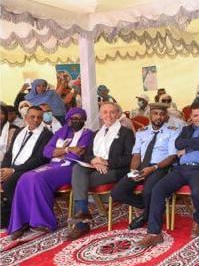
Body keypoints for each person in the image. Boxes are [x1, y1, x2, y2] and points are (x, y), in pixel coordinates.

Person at [135, 103, 199, 247]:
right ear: (191, 117)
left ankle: (198, 222)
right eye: (195, 115)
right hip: (181, 168)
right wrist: (197, 145)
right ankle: (154, 233)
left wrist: (188, 148)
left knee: (198, 193)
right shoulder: (186, 129)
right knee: (158, 189)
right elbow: (178, 144)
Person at [7, 108, 93, 239]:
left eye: (81, 119)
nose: (77, 121)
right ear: (68, 120)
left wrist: (58, 152)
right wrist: (67, 149)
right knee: (25, 177)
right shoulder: (61, 132)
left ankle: (44, 222)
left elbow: (76, 155)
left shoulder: (87, 133)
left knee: (38, 178)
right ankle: (22, 222)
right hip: (53, 165)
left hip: (70, 167)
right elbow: (46, 152)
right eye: (74, 118)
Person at [66, 102, 135, 240]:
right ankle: (82, 215)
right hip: (95, 168)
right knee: (77, 168)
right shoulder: (96, 133)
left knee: (79, 182)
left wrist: (106, 162)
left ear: (118, 114)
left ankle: (81, 223)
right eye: (105, 112)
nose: (108, 115)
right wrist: (94, 161)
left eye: (112, 112)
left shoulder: (126, 133)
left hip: (115, 170)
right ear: (100, 115)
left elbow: (130, 158)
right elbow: (87, 155)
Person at [110, 103, 180, 230]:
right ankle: (150, 205)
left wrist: (153, 168)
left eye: (162, 114)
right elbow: (136, 154)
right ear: (149, 115)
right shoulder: (142, 132)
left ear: (165, 116)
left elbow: (172, 157)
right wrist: (133, 171)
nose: (158, 117)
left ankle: (145, 216)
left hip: (159, 167)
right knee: (117, 192)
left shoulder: (172, 131)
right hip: (141, 167)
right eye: (155, 114)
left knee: (148, 191)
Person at [0, 106, 53, 227]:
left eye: (39, 117)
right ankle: (8, 215)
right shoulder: (19, 131)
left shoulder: (46, 135)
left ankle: (22, 219)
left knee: (9, 183)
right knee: (4, 178)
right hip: (14, 167)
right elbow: (9, 153)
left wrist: (13, 170)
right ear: (26, 117)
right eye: (32, 117)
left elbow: (39, 159)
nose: (36, 120)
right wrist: (3, 169)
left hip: (31, 169)